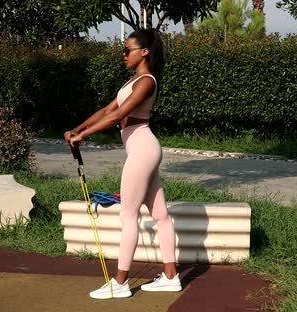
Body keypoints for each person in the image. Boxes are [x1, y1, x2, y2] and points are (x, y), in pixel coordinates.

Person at [64, 28, 181, 299]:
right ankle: (171, 277)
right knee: (161, 215)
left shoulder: (146, 81)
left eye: (127, 50)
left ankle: (120, 282)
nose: (123, 54)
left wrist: (83, 136)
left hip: (143, 149)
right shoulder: (134, 80)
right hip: (141, 149)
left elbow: (119, 114)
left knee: (128, 215)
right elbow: (107, 109)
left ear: (144, 52)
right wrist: (77, 128)